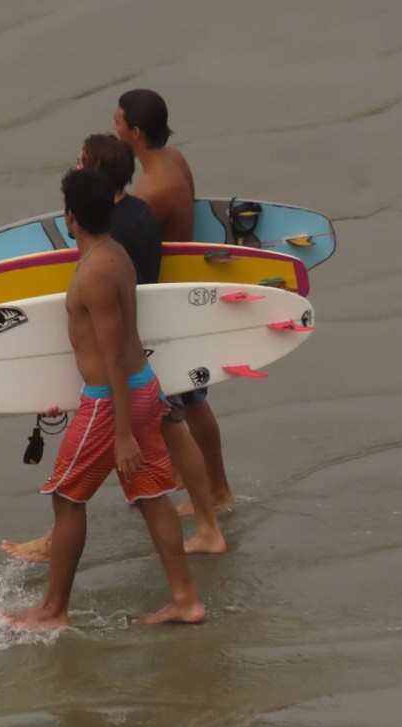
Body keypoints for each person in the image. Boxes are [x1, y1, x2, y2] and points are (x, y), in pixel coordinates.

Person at [1, 133, 226, 562]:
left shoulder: (107, 246)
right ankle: (209, 523)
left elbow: (103, 325)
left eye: (83, 162)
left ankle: (58, 545)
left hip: (129, 364)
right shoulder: (137, 214)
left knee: (84, 485)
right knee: (169, 446)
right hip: (149, 352)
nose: (78, 165)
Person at [113, 88, 236, 515]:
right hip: (181, 285)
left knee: (191, 397)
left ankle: (218, 492)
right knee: (190, 396)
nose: (114, 127)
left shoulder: (151, 189)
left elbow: (122, 242)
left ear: (136, 131)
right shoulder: (174, 160)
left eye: (118, 122)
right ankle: (192, 477)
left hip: (165, 296)